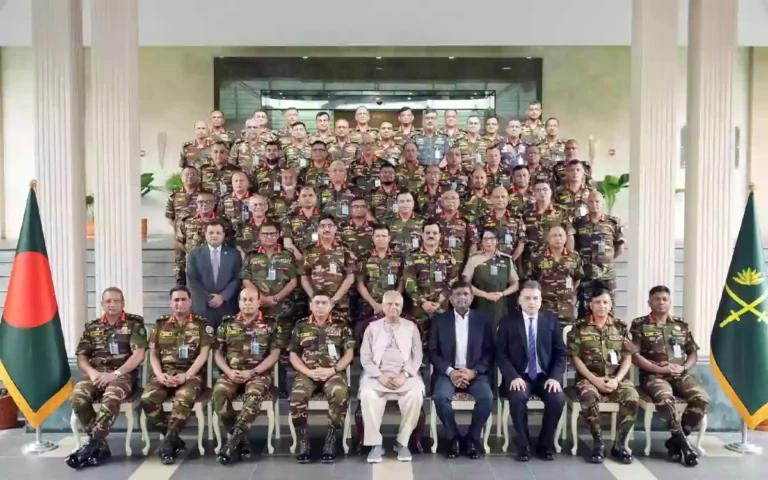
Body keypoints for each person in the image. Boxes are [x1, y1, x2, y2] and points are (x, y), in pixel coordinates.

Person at [66, 287, 147, 469]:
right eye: (108, 301)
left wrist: (114, 374)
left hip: (122, 375)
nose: (112, 304)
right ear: (102, 304)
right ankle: (100, 445)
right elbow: (81, 357)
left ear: (123, 303)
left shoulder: (134, 324)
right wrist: (93, 373)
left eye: (116, 301)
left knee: (111, 398)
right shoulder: (92, 327)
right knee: (77, 397)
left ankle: (92, 444)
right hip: (96, 375)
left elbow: (139, 355)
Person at [629, 285, 709, 467]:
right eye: (657, 299)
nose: (661, 302)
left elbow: (692, 352)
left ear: (670, 302)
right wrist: (658, 369)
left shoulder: (680, 325)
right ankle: (685, 446)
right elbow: (634, 355)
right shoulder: (640, 325)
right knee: (665, 399)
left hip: (679, 374)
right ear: (649, 302)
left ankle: (676, 441)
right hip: (653, 376)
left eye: (665, 299)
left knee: (702, 398)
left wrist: (683, 368)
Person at [140, 286, 214, 465]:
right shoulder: (160, 324)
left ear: (190, 301)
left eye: (183, 299)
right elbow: (153, 354)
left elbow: (204, 355)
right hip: (164, 374)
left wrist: (186, 376)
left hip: (191, 375)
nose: (179, 303)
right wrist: (159, 375)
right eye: (176, 300)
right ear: (170, 303)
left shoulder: (201, 324)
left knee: (183, 398)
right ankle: (173, 438)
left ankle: (167, 445)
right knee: (147, 399)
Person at [566, 283, 636, 464]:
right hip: (588, 378)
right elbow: (575, 358)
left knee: (632, 397)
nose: (602, 306)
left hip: (616, 378)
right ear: (590, 305)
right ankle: (598, 443)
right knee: (588, 397)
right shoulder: (579, 327)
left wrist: (617, 379)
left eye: (605, 302)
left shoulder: (620, 327)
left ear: (611, 304)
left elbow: (628, 356)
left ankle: (619, 445)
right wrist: (594, 380)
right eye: (597, 302)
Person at [496, 280, 565, 462]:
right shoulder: (508, 322)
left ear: (541, 300)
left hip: (544, 377)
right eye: (527, 298)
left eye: (535, 298)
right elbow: (500, 354)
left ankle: (545, 445)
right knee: (518, 397)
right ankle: (524, 445)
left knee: (557, 399)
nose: (531, 302)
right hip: (520, 376)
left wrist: (555, 377)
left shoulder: (550, 322)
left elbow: (560, 353)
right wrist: (513, 376)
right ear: (520, 300)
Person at [212, 288, 281, 465]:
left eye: (251, 300)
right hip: (231, 373)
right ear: (239, 302)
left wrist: (253, 372)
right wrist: (228, 371)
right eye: (244, 300)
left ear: (259, 302)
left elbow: (275, 354)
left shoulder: (270, 324)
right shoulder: (227, 323)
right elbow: (217, 353)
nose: (247, 303)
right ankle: (241, 440)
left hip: (258, 374)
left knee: (254, 396)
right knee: (218, 394)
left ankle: (232, 442)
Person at [429, 282, 495, 459]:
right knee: (440, 397)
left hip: (474, 373)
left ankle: (472, 439)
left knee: (487, 398)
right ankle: (453, 438)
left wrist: (473, 372)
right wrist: (451, 371)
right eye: (457, 294)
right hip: (448, 373)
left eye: (466, 294)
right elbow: (433, 353)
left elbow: (489, 352)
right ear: (450, 299)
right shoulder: (439, 321)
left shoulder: (482, 321)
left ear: (472, 298)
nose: (462, 297)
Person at [359, 291, 425, 463]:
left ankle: (402, 442)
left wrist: (405, 375)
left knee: (415, 395)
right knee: (367, 395)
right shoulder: (372, 327)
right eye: (389, 304)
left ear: (402, 307)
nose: (393, 307)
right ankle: (375, 444)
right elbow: (365, 357)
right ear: (382, 306)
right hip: (377, 375)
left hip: (406, 375)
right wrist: (379, 376)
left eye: (397, 304)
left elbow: (417, 356)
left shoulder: (411, 327)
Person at [289, 295, 355, 463]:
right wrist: (308, 372)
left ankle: (331, 440)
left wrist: (333, 370)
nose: (320, 306)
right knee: (296, 397)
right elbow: (293, 355)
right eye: (316, 303)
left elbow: (349, 353)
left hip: (332, 372)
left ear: (331, 306)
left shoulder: (341, 325)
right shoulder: (301, 326)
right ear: (310, 305)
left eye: (324, 303)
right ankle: (303, 442)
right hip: (307, 373)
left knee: (339, 394)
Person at [186, 220, 242, 329]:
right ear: (205, 234)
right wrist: (208, 298)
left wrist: (222, 297)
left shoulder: (234, 254)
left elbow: (237, 278)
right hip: (202, 308)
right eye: (211, 232)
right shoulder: (194, 255)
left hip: (227, 307)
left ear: (223, 235)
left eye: (218, 233)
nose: (214, 235)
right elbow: (192, 280)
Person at [462, 228, 520, 330]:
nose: (489, 242)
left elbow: (516, 284)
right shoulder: (474, 259)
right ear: (481, 241)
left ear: (497, 240)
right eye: (485, 239)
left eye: (492, 238)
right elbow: (466, 284)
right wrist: (485, 295)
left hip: (501, 307)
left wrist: (502, 294)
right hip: (479, 305)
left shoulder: (506, 260)